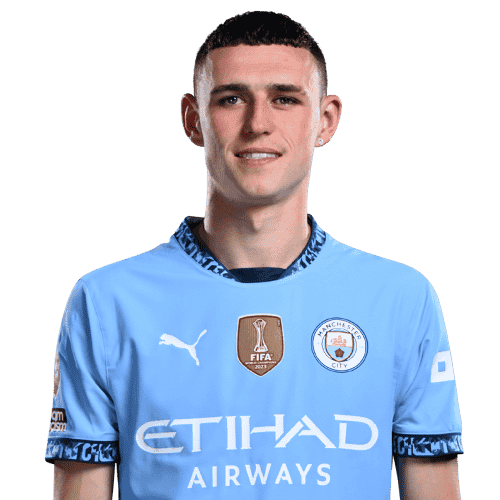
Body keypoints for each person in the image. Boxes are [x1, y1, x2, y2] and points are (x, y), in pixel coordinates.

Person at [45, 11, 464, 500]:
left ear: (326, 120)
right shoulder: (106, 302)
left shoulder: (401, 299)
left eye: (285, 98)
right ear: (193, 119)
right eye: (231, 99)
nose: (257, 124)